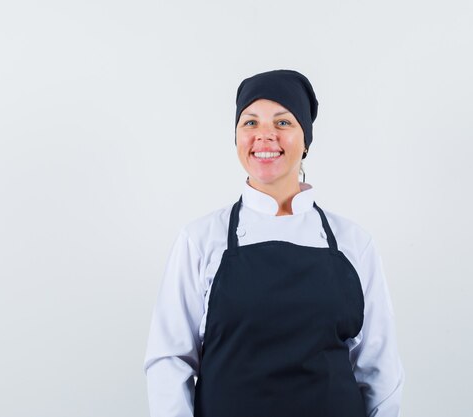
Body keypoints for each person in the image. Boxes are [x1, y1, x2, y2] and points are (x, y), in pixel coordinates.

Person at [143, 69, 404, 417]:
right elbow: (169, 360)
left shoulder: (353, 242)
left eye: (283, 123)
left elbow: (379, 367)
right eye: (250, 123)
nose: (264, 136)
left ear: (306, 140)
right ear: (236, 137)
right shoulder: (200, 240)